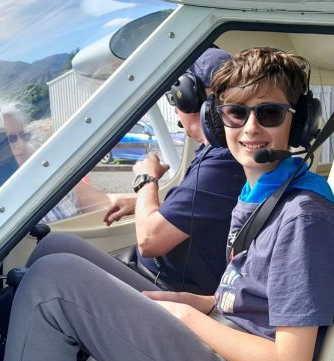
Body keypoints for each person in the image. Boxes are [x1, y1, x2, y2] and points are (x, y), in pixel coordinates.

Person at [0, 46, 334, 361]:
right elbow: (249, 299)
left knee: (52, 282)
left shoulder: (302, 219)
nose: (250, 128)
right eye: (236, 112)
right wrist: (200, 303)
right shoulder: (261, 191)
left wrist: (186, 317)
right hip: (229, 345)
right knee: (56, 246)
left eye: (269, 113)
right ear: (218, 119)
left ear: (299, 121)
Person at [32, 47, 245, 294]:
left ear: (188, 98)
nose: (175, 107)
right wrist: (140, 202)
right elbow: (200, 206)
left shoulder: (223, 163)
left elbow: (149, 241)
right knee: (54, 245)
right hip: (153, 273)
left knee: (52, 274)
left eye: (175, 98)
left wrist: (146, 180)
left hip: (164, 284)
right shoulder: (213, 154)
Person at [0, 105, 110, 223]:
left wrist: (124, 202)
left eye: (23, 135)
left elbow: (104, 205)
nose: (21, 144)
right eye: (10, 139)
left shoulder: (50, 176)